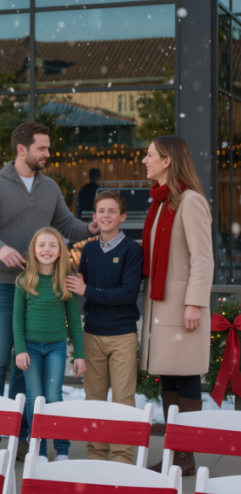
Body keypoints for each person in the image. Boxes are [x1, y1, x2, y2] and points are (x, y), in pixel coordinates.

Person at [0, 122, 98, 459]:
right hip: (1, 285)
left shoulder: (49, 187)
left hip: (39, 287)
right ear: (22, 149)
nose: (48, 154)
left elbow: (66, 224)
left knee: (26, 364)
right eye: (43, 148)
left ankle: (23, 436)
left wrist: (90, 228)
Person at [140, 136, 212, 476]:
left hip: (182, 307)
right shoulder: (159, 203)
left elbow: (203, 258)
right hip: (162, 307)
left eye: (150, 155)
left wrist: (195, 303)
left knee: (186, 378)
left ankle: (185, 455)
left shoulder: (190, 201)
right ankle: (174, 452)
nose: (145, 160)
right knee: (169, 377)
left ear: (168, 160)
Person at [66, 190, 144, 464]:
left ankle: (123, 459)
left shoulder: (133, 250)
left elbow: (127, 294)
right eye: (101, 211)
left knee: (124, 400)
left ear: (122, 217)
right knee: (94, 401)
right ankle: (96, 457)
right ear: (94, 217)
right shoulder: (87, 249)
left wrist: (88, 289)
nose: (106, 216)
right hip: (92, 333)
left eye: (112, 211)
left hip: (122, 334)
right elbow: (78, 286)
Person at [13, 227, 86, 461]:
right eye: (42, 245)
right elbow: (17, 319)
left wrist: (80, 355)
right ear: (34, 251)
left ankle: (62, 448)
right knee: (35, 398)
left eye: (52, 245)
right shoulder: (25, 280)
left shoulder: (66, 282)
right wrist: (21, 349)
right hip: (31, 348)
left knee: (54, 397)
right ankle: (40, 451)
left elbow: (74, 321)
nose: (47, 250)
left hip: (56, 347)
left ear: (60, 252)